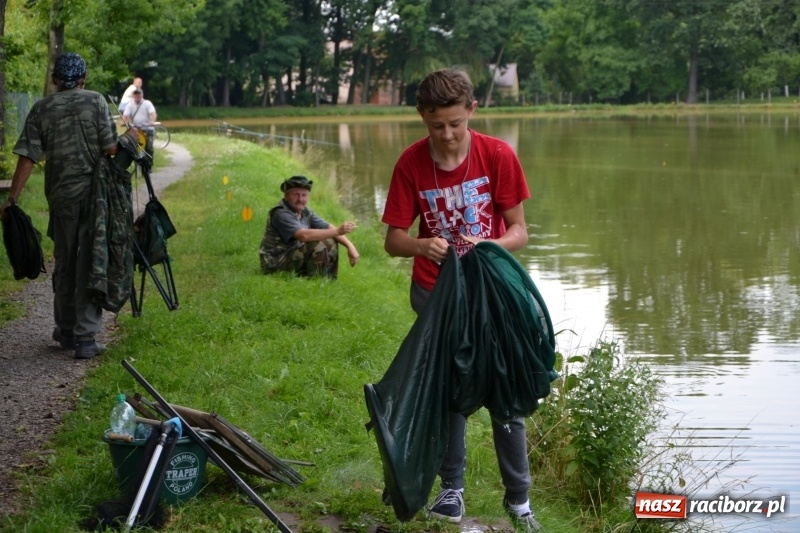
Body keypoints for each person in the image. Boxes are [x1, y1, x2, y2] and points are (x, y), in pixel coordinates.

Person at [381, 68, 541, 531]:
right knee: (452, 389)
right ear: (422, 117)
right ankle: (452, 490)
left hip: (492, 291)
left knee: (505, 389)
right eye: (437, 126)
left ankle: (519, 500)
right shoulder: (411, 164)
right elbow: (393, 240)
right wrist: (420, 244)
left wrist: (486, 246)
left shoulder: (498, 154)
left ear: (472, 110)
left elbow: (520, 231)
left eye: (455, 123)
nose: (447, 135)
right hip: (435, 292)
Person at [0, 52, 138, 359]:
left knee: (64, 260)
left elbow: (27, 157)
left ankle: (64, 330)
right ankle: (85, 338)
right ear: (84, 78)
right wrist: (130, 137)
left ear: (55, 80)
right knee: (90, 259)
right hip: (94, 197)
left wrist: (12, 200)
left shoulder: (41, 108)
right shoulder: (96, 101)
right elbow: (110, 147)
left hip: (60, 198)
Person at [259, 175, 359, 278]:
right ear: (286, 195)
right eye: (296, 195)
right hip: (275, 263)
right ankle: (315, 280)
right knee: (316, 243)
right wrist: (338, 231)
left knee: (331, 240)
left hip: (293, 254)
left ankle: (328, 280)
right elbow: (303, 236)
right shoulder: (280, 213)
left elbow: (328, 227)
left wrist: (350, 246)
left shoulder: (305, 210)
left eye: (304, 195)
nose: (300, 199)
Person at [122, 87, 157, 162]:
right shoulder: (130, 105)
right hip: (136, 129)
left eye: (139, 94)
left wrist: (152, 121)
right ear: (133, 95)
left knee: (149, 147)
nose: (137, 96)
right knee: (131, 146)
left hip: (147, 128)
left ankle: (149, 165)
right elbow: (125, 115)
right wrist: (123, 121)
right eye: (136, 94)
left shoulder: (147, 103)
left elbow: (153, 113)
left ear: (142, 95)